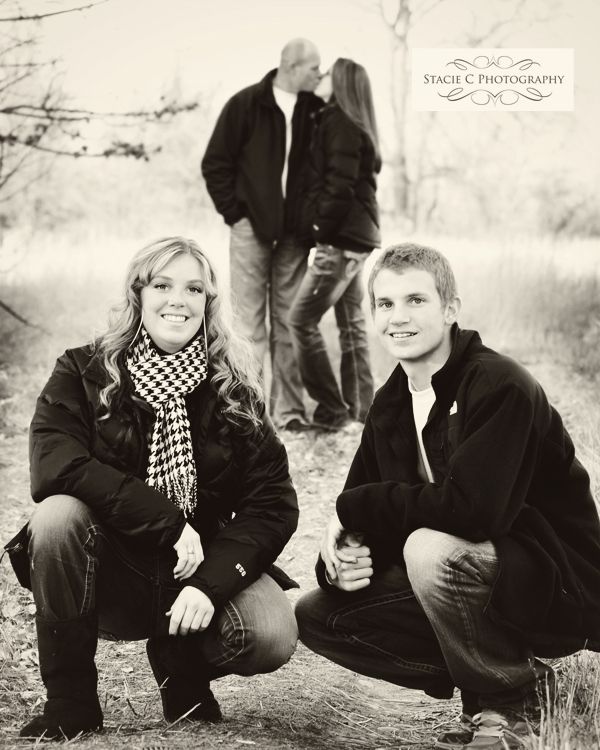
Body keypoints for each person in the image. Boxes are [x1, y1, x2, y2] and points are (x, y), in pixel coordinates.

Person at [295, 243, 600, 749]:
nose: (399, 317)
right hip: (478, 581)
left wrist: (352, 509)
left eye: (416, 300)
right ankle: (509, 682)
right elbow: (366, 514)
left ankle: (510, 701)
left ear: (450, 308)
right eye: (385, 304)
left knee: (430, 549)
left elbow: (471, 513)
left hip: (555, 579)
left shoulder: (499, 385)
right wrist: (341, 564)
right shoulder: (391, 402)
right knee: (319, 615)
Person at [5, 237, 299, 740]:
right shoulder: (83, 371)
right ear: (138, 293)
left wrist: (211, 583)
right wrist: (169, 522)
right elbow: (56, 465)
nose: (177, 300)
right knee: (56, 516)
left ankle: (179, 665)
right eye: (162, 285)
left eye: (193, 289)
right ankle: (72, 703)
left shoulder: (233, 387)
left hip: (197, 565)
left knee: (270, 634)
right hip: (111, 566)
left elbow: (271, 503)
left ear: (208, 302)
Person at [201, 38, 323, 432]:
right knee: (249, 326)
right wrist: (235, 215)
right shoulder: (246, 104)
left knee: (289, 324)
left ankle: (289, 413)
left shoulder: (316, 110)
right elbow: (215, 162)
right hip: (250, 230)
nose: (318, 75)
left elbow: (325, 170)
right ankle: (250, 413)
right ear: (290, 65)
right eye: (312, 68)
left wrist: (311, 223)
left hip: (296, 237)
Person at [289, 57, 380, 431]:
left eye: (326, 73)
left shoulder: (339, 121)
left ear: (339, 81)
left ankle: (332, 411)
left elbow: (338, 186)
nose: (321, 76)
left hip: (340, 241)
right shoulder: (352, 121)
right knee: (351, 324)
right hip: (357, 239)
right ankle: (363, 413)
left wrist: (319, 229)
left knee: (300, 320)